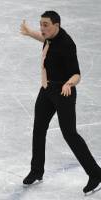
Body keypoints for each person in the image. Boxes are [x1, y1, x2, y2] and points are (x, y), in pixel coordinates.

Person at [20, 11, 101, 194]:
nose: (42, 28)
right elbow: (45, 40)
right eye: (40, 24)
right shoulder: (50, 37)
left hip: (64, 92)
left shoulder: (67, 44)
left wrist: (68, 83)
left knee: (69, 134)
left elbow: (77, 74)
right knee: (38, 129)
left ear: (57, 25)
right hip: (47, 90)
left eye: (46, 25)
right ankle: (36, 171)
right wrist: (29, 32)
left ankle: (96, 174)